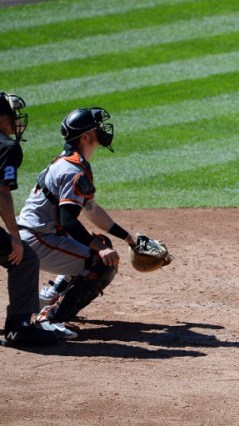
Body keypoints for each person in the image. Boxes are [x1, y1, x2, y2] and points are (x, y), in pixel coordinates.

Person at [17, 107, 136, 340]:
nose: (103, 130)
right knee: (101, 263)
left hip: (39, 233)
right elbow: (68, 221)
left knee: (100, 243)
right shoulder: (73, 170)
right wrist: (101, 250)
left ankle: (50, 296)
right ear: (86, 137)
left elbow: (90, 209)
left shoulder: (70, 161)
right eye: (97, 127)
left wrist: (128, 239)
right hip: (37, 238)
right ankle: (49, 320)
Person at [0, 92, 57, 347]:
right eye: (12, 115)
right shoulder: (7, 147)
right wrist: (15, 237)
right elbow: (1, 192)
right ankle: (20, 327)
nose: (16, 120)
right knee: (25, 259)